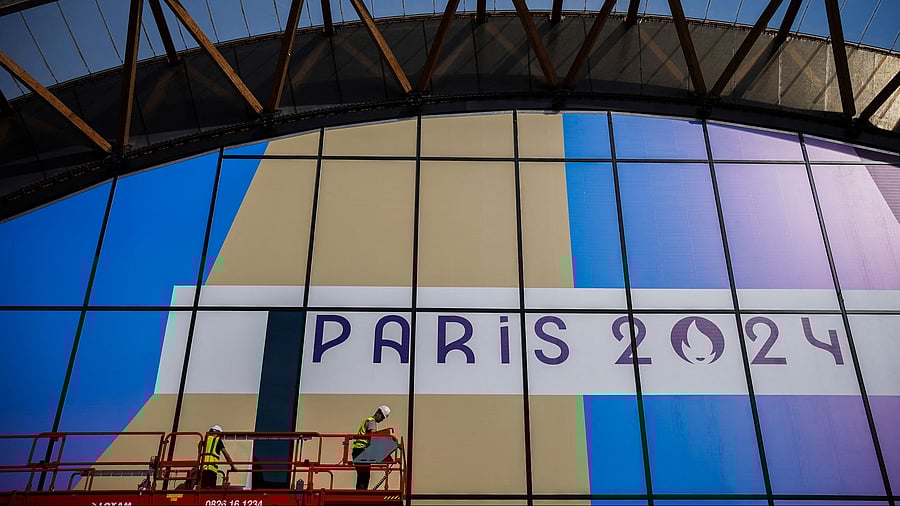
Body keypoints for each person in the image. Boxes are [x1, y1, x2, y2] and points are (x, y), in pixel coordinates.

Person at [351, 405, 390, 490]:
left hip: (358, 450)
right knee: (364, 476)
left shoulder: (368, 420)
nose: (382, 420)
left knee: (362, 475)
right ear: (378, 413)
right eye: (382, 417)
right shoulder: (371, 422)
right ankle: (361, 495)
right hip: (361, 450)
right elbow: (374, 436)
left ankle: (360, 493)